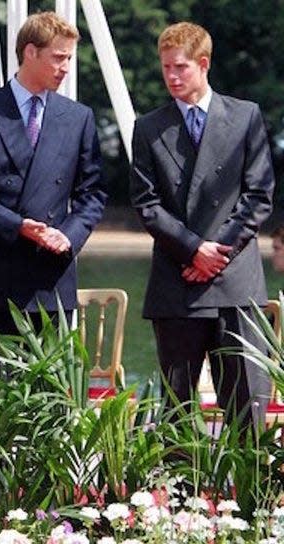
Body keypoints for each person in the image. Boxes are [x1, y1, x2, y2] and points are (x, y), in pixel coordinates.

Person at [0, 12, 107, 393]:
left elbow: (93, 192)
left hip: (53, 277)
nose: (66, 67)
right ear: (30, 52)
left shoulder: (78, 118)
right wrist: (16, 225)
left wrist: (68, 235)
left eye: (70, 58)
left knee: (54, 401)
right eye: (59, 57)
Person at [129, 22, 274, 429]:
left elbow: (259, 194)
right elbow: (146, 203)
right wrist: (193, 250)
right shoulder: (148, 128)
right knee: (176, 412)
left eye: (180, 67)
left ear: (203, 64)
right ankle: (175, 495)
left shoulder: (245, 117)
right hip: (177, 283)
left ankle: (250, 495)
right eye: (166, 68)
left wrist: (216, 253)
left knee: (247, 408)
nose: (171, 77)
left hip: (235, 284)